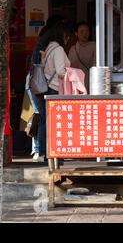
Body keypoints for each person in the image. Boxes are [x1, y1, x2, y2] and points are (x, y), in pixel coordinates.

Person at [33, 21, 71, 162]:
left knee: (45, 120)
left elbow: (43, 66)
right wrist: (73, 72)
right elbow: (61, 71)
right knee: (55, 122)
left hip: (44, 87)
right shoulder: (59, 49)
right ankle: (55, 154)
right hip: (54, 88)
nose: (68, 39)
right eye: (67, 35)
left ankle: (43, 152)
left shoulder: (48, 47)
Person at [68, 22, 96, 92]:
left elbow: (95, 64)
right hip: (76, 82)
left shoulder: (94, 46)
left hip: (91, 80)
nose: (85, 34)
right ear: (76, 33)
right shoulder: (73, 48)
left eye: (87, 31)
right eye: (82, 31)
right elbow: (69, 68)